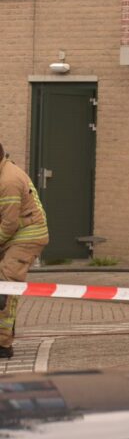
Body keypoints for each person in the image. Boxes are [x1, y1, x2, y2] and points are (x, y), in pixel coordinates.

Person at [0, 142, 48, 359]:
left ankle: (3, 344)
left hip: (26, 238)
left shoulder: (8, 181)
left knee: (5, 288)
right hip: (15, 235)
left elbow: (8, 224)